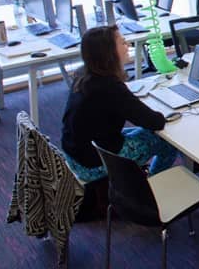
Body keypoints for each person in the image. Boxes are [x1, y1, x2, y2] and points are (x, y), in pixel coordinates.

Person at [61, 26, 177, 182]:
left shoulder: (84, 74)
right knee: (166, 143)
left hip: (75, 155)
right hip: (93, 165)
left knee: (144, 132)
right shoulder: (109, 87)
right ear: (109, 52)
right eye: (122, 43)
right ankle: (149, 188)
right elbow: (154, 122)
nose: (127, 46)